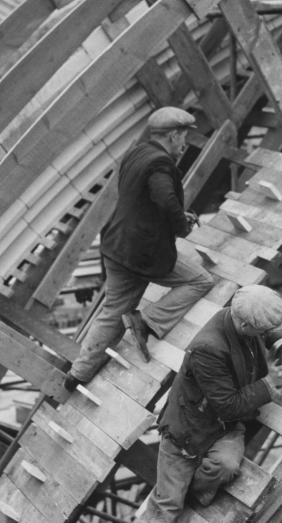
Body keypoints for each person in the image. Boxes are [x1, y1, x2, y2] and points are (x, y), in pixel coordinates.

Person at [113, 285, 282, 523]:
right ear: (244, 325)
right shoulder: (209, 348)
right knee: (166, 506)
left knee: (225, 466)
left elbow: (262, 334)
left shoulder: (238, 314)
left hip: (221, 428)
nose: (265, 334)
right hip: (187, 430)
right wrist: (267, 386)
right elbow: (227, 404)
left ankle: (186, 489)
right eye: (263, 330)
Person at [65, 106, 215, 390]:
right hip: (142, 253)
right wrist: (181, 225)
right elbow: (164, 199)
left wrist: (176, 215)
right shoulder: (161, 164)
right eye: (183, 137)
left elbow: (142, 200)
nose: (184, 144)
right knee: (200, 280)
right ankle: (146, 322)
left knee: (112, 310)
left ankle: (78, 373)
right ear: (172, 135)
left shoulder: (136, 153)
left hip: (117, 245)